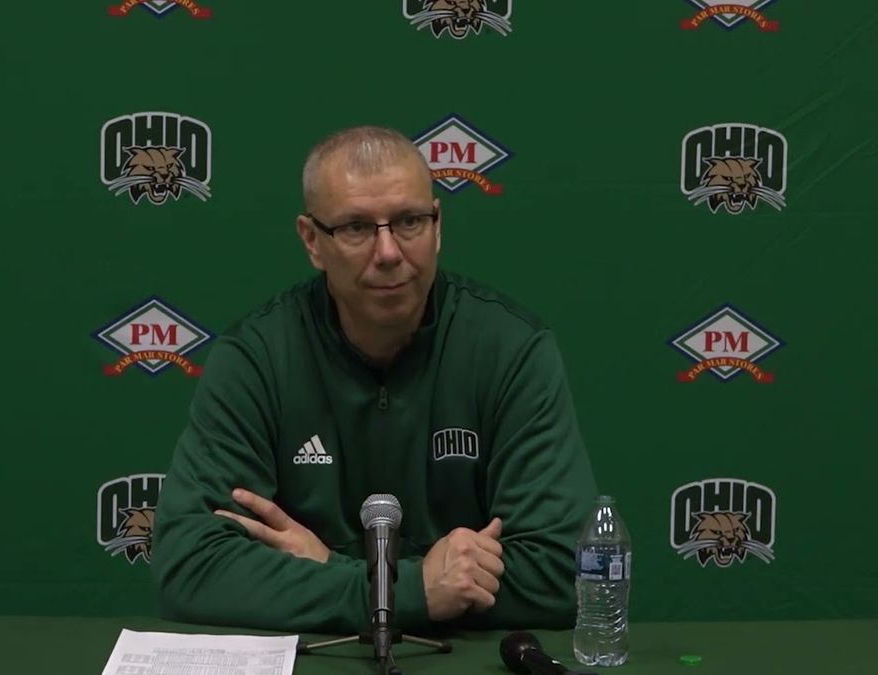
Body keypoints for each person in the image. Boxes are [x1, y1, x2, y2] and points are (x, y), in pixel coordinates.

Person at [151, 125, 596, 634]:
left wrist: (327, 571)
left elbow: (567, 574)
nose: (388, 252)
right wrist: (405, 591)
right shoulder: (256, 358)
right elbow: (190, 568)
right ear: (312, 241)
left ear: (438, 225)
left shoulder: (511, 349)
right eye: (357, 228)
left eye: (409, 221)